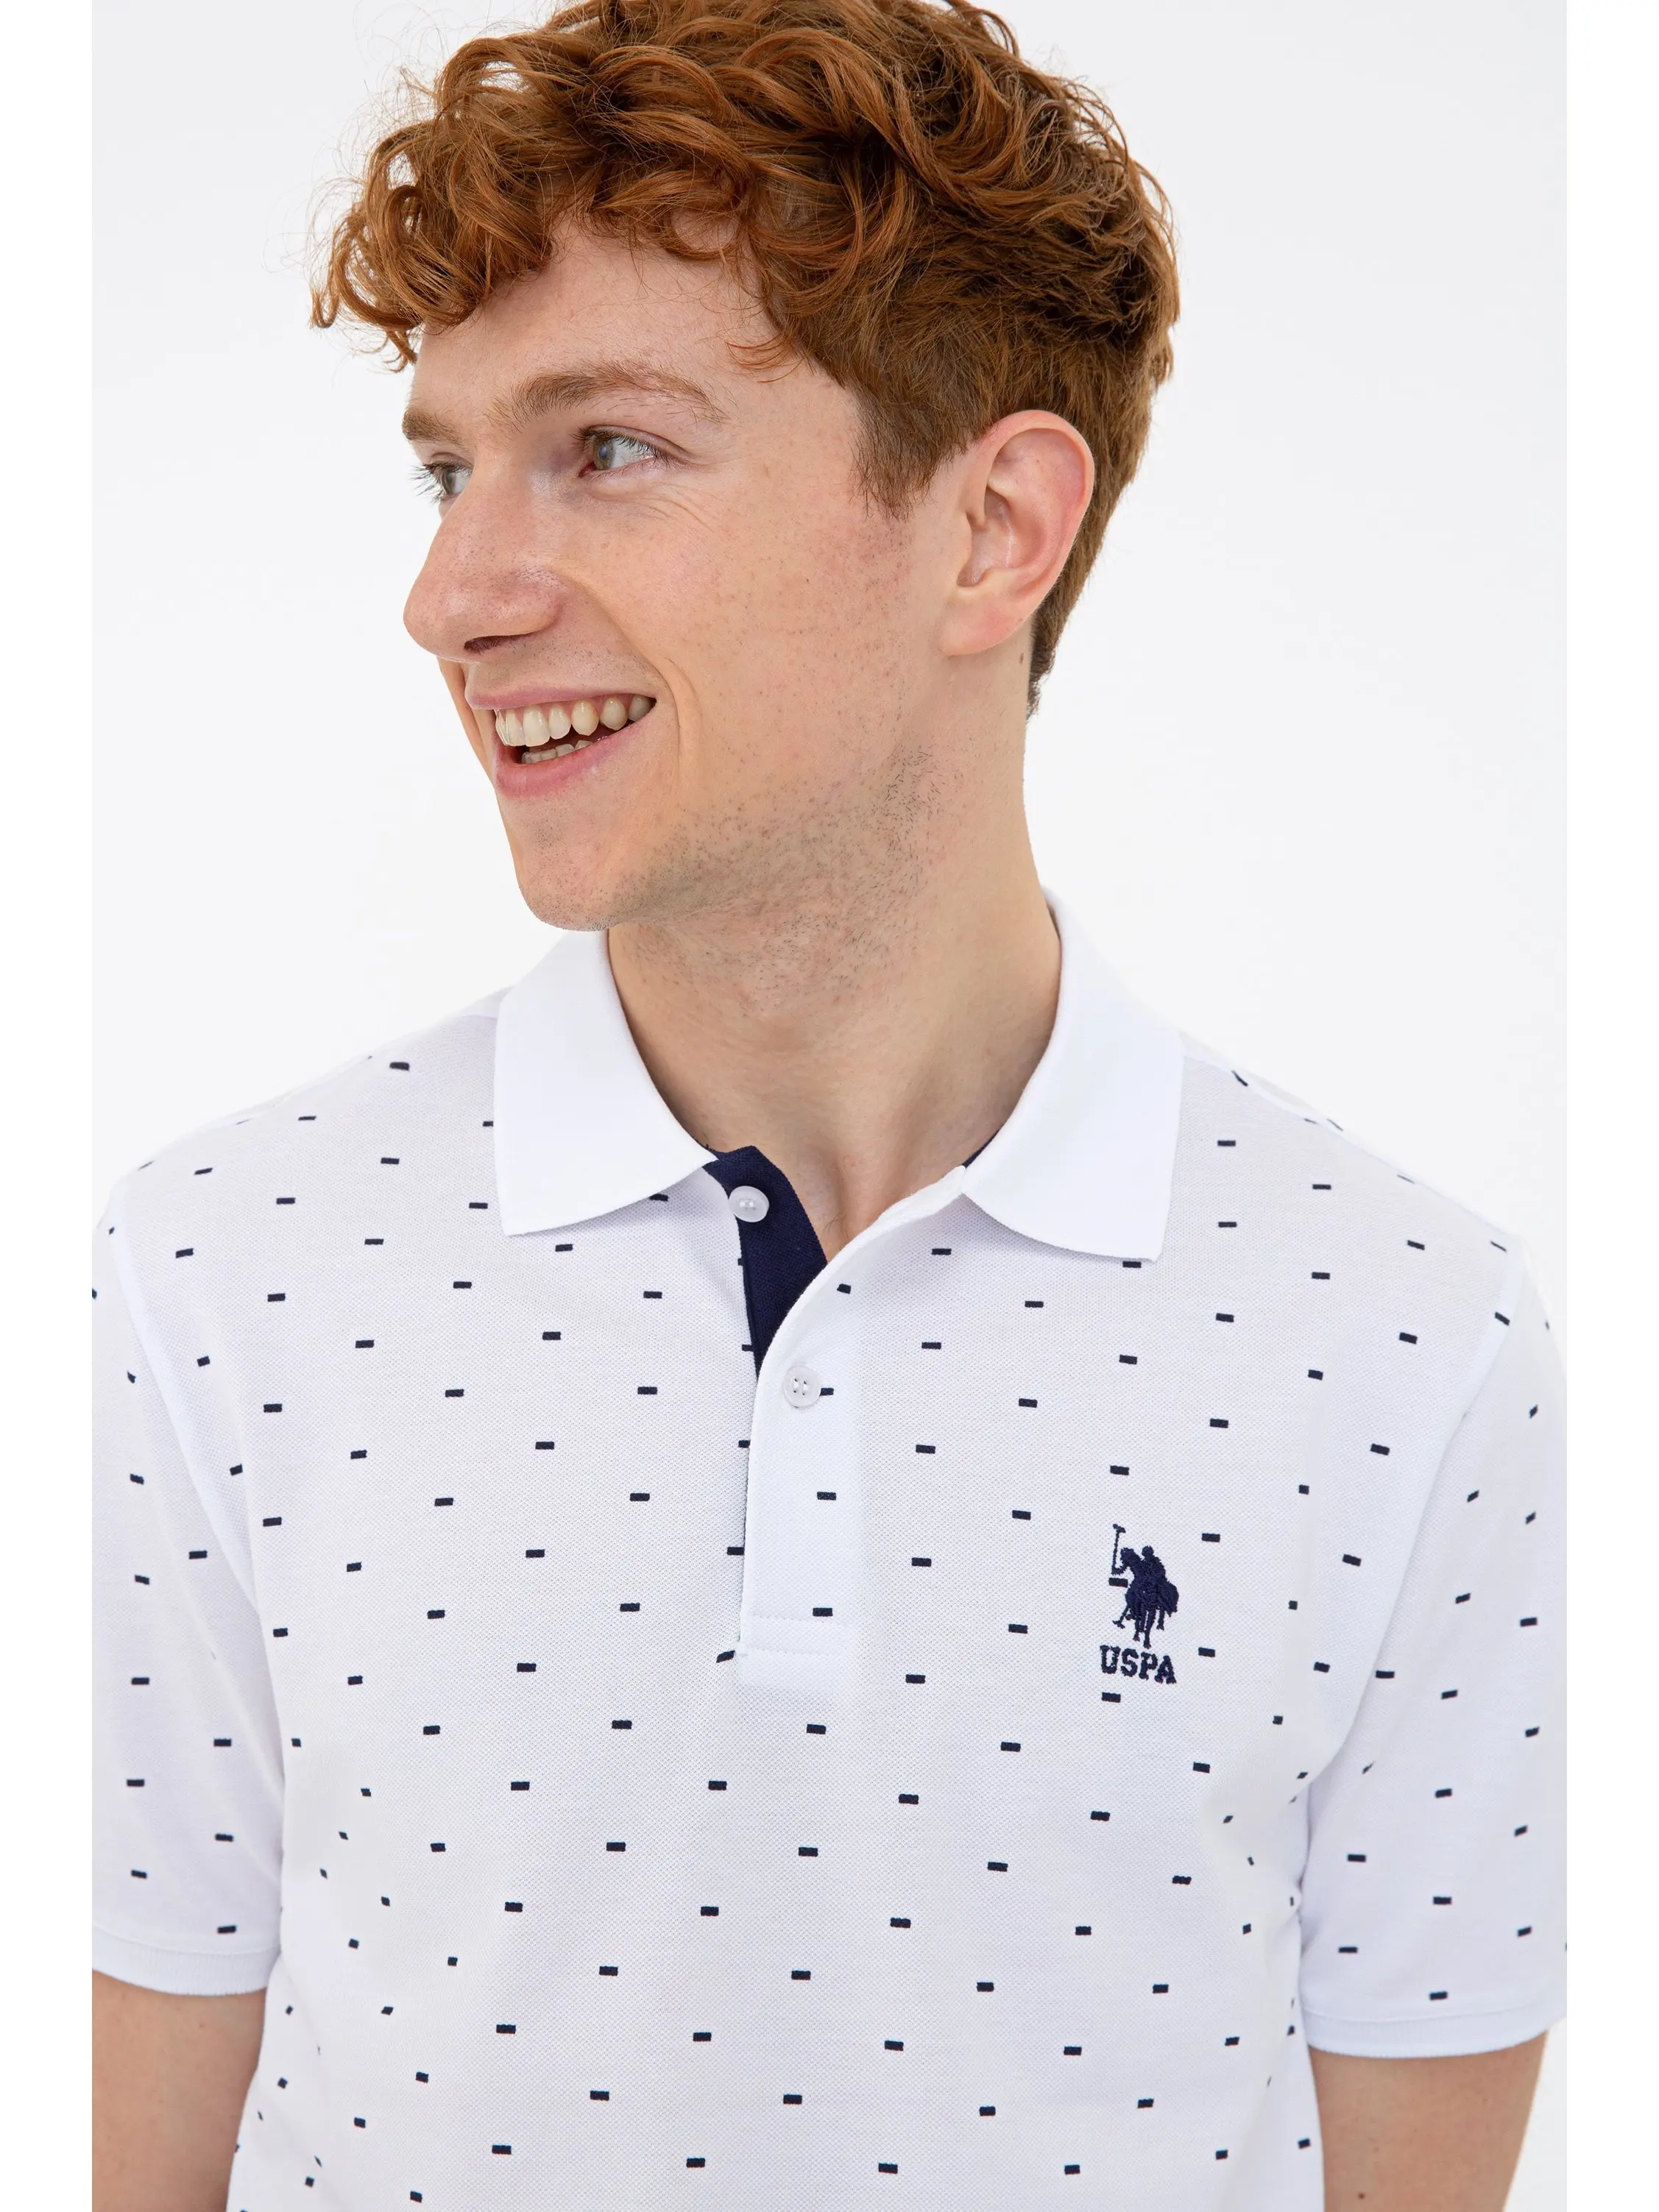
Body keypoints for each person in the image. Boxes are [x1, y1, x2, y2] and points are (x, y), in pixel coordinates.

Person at [91, 4, 1564, 2208]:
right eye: (447, 466)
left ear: (992, 528)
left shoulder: (1409, 1336)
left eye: (606, 446)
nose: (451, 597)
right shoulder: (220, 1273)